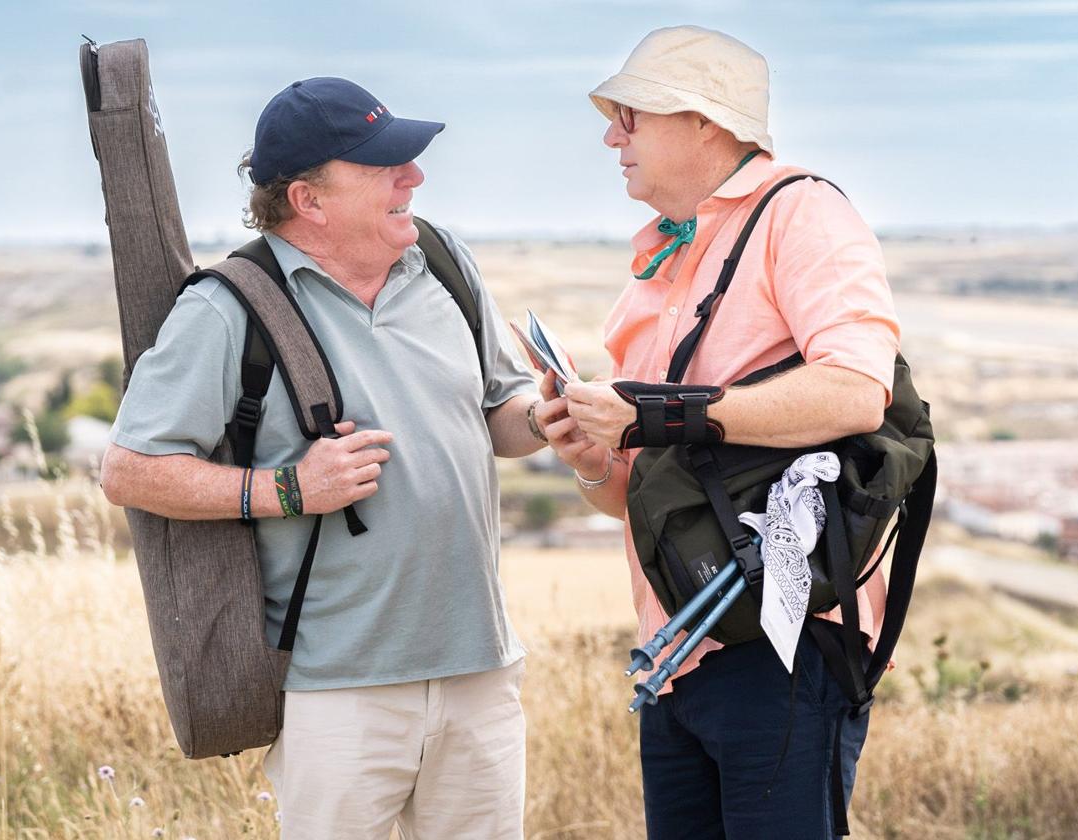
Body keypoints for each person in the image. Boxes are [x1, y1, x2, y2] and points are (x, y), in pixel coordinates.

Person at [100, 76, 545, 839]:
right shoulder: (225, 308)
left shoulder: (444, 264)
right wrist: (289, 488)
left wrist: (552, 420)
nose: (415, 177)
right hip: (337, 693)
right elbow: (129, 469)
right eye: (386, 166)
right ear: (309, 200)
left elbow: (503, 415)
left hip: (481, 671)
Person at [535, 26, 900, 839]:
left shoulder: (801, 213)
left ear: (705, 120)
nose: (610, 136)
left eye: (631, 116)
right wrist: (594, 458)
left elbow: (857, 389)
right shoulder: (666, 260)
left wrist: (661, 413)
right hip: (675, 655)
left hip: (785, 644)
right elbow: (645, 497)